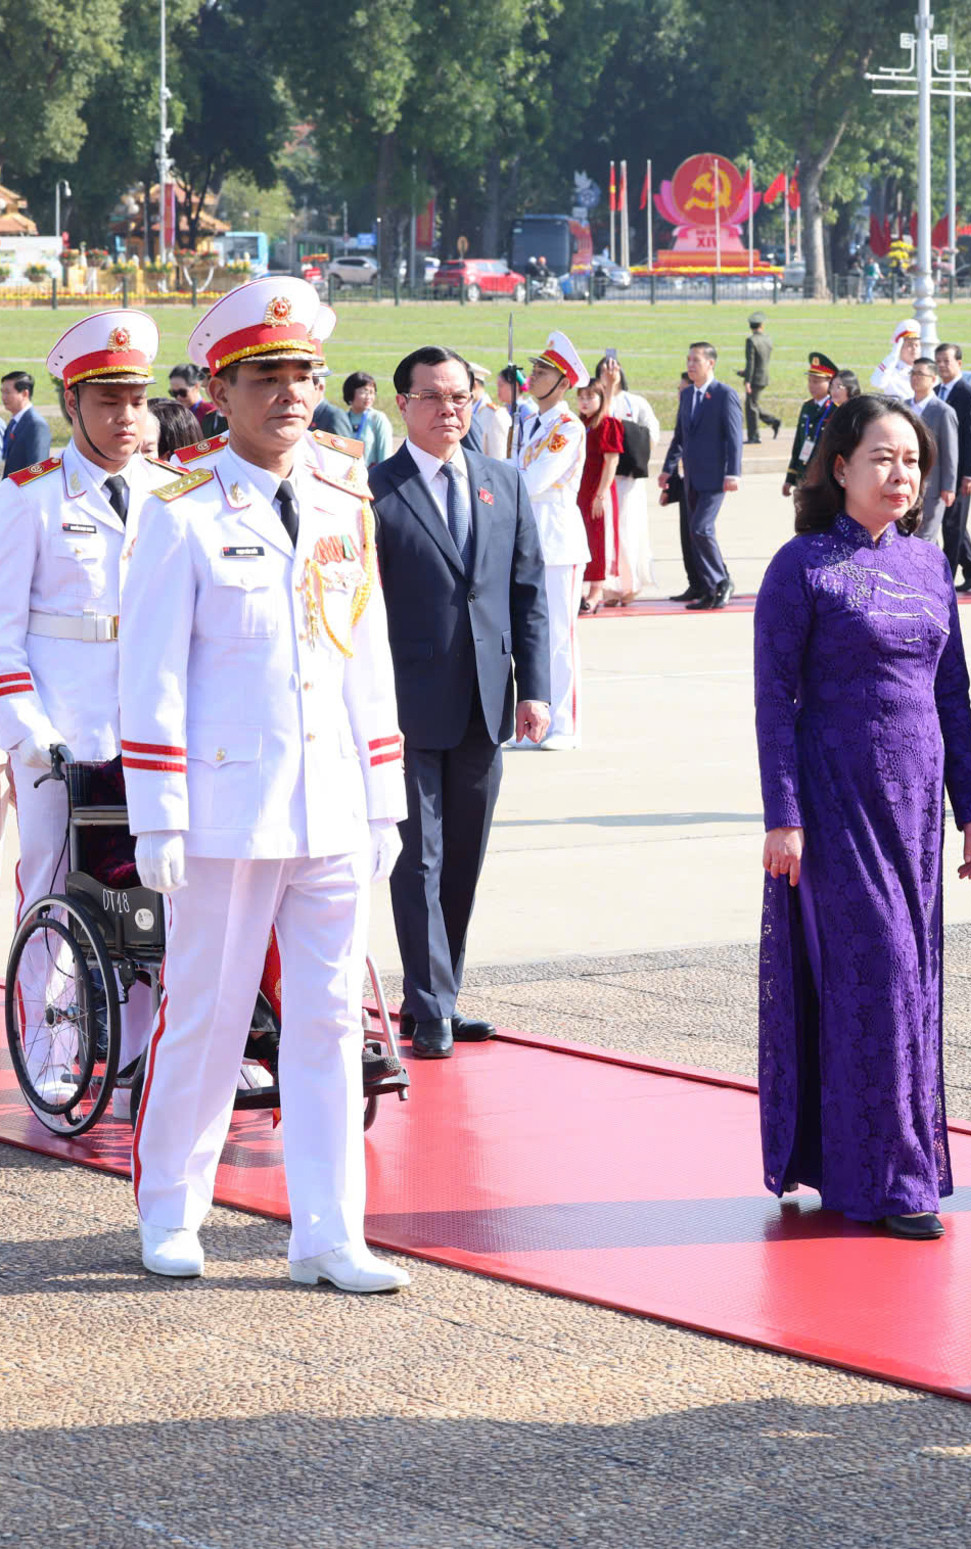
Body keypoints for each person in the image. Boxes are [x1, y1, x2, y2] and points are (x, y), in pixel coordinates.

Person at [118, 275, 410, 1293]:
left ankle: (329, 1233)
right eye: (268, 376)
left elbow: (364, 651)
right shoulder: (180, 511)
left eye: (304, 374)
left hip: (329, 800)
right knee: (205, 1010)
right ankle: (173, 1209)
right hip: (224, 810)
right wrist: (156, 813)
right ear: (220, 392)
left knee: (331, 1019)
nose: (292, 393)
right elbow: (149, 675)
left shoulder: (342, 495)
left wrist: (385, 792)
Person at [755, 394, 971, 1239]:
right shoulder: (801, 566)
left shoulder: (931, 566)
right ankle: (896, 1178)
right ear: (841, 467)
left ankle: (870, 1164)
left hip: (917, 804)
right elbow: (775, 701)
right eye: (883, 458)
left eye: (914, 461)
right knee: (880, 973)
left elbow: (952, 695)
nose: (902, 475)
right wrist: (782, 813)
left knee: (911, 979)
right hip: (835, 799)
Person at [0, 309, 172, 1104]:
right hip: (60, 734)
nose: (125, 416)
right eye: (107, 400)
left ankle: (138, 1049)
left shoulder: (176, 492)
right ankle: (50, 1038)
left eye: (135, 399)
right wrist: (29, 731)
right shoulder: (31, 497)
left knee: (150, 889)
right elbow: (3, 635)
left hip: (156, 730)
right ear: (72, 403)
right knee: (53, 883)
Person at [369, 344, 552, 1061]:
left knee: (464, 857)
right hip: (404, 704)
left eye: (462, 397)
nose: (451, 410)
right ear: (403, 405)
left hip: (484, 698)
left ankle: (441, 993)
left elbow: (527, 591)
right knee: (417, 858)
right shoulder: (374, 491)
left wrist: (534, 685)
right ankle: (428, 1003)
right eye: (435, 398)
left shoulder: (501, 481)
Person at [512, 331, 590, 747]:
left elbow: (535, 479)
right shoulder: (525, 420)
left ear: (562, 383)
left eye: (542, 371)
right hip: (526, 536)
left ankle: (564, 725)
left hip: (557, 539)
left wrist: (505, 478)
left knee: (559, 636)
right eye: (535, 368)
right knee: (527, 635)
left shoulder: (567, 427)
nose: (533, 375)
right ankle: (530, 724)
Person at [662, 340, 744, 609]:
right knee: (694, 531)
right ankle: (710, 587)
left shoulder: (724, 394)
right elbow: (680, 437)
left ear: (711, 363)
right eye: (688, 360)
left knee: (701, 528)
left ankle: (722, 582)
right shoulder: (687, 395)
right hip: (692, 477)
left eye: (695, 360)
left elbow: (733, 437)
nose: (690, 365)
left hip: (716, 477)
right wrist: (667, 469)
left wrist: (734, 473)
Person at [934, 341, 971, 592]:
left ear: (959, 363)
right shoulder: (935, 391)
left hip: (959, 473)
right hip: (937, 471)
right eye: (938, 362)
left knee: (952, 524)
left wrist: (970, 474)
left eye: (946, 361)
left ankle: (946, 575)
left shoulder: (969, 394)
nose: (941, 366)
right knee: (953, 522)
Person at [597, 352, 657, 603]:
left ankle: (630, 584)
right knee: (607, 532)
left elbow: (652, 434)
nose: (610, 374)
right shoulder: (597, 401)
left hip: (629, 480)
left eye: (614, 369)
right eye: (604, 370)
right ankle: (609, 585)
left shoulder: (636, 402)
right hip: (603, 478)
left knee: (628, 529)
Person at [575, 383, 626, 605]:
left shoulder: (607, 424)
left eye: (590, 397)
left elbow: (611, 461)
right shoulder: (579, 424)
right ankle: (584, 586)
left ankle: (597, 589)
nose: (585, 402)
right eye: (581, 397)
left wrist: (601, 495)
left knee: (599, 538)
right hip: (580, 490)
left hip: (598, 489)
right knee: (582, 537)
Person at [907, 356, 960, 558]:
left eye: (920, 374)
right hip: (906, 484)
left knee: (925, 537)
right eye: (912, 373)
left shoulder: (943, 412)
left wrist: (949, 486)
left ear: (933, 379)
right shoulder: (903, 407)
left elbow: (950, 452)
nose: (915, 378)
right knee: (908, 535)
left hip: (933, 487)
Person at [783, 352, 837, 496]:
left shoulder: (835, 409)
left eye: (817, 382)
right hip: (804, 476)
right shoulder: (807, 407)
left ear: (830, 383)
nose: (812, 386)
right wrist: (790, 477)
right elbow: (798, 444)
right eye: (810, 381)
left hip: (823, 478)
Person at [739, 313, 780, 443]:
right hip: (764, 376)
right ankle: (773, 421)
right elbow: (760, 361)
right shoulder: (768, 339)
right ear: (762, 325)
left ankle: (754, 436)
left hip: (755, 379)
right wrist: (745, 373)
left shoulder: (751, 340)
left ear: (750, 326)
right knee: (753, 405)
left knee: (751, 407)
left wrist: (747, 381)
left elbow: (751, 363)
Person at [342, 372, 398, 465]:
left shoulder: (378, 419)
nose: (369, 397)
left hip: (370, 477)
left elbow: (385, 457)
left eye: (372, 392)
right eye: (364, 392)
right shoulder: (342, 418)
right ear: (351, 393)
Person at [2, 371, 51, 475]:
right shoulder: (13, 423)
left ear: (25, 394)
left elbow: (37, 470)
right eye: (2, 392)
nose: (3, 397)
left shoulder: (36, 425)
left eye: (8, 392)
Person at [872, 320, 922, 397]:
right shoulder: (891, 370)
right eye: (909, 345)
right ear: (899, 347)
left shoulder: (924, 370)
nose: (914, 348)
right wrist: (893, 355)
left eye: (917, 345)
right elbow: (877, 382)